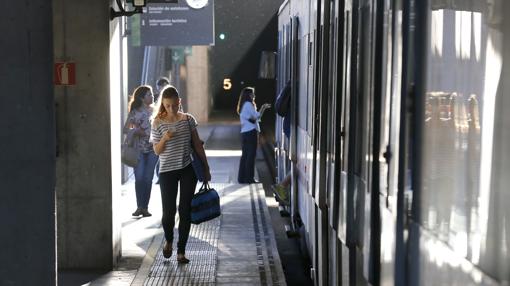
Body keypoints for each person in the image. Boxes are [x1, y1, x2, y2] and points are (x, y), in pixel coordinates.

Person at [151, 85, 211, 263]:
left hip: (187, 170)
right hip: (167, 171)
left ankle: (181, 251)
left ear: (179, 102)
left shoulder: (188, 120)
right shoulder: (157, 123)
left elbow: (198, 145)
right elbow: (156, 151)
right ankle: (169, 240)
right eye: (167, 105)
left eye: (174, 105)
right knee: (168, 213)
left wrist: (206, 168)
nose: (171, 109)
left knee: (185, 210)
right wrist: (164, 138)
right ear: (163, 104)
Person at [123, 85, 158, 217]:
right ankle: (139, 206)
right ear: (142, 98)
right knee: (139, 178)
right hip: (138, 150)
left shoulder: (156, 111)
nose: (152, 96)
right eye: (149, 94)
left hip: (153, 150)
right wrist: (135, 130)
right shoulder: (135, 112)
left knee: (148, 178)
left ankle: (145, 207)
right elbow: (125, 129)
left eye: (152, 94)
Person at [236, 87, 271, 184]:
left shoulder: (243, 105)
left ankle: (242, 178)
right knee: (251, 156)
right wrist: (263, 107)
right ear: (248, 95)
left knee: (245, 156)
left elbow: (253, 117)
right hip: (251, 132)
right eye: (252, 94)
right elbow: (257, 116)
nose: (254, 96)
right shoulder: (248, 104)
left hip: (244, 133)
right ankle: (249, 178)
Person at [272, 80, 291, 205]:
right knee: (300, 163)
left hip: (289, 127)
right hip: (292, 127)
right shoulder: (297, 85)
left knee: (298, 162)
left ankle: (283, 186)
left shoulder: (289, 85)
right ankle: (282, 185)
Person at [154, 77, 170, 184]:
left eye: (161, 87)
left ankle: (162, 177)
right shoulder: (155, 98)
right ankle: (160, 176)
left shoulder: (173, 98)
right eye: (159, 88)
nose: (160, 90)